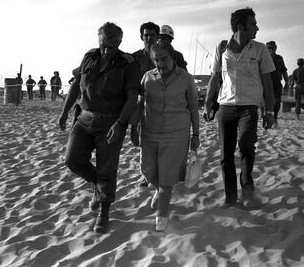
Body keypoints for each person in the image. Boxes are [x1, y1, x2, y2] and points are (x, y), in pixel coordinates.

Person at [58, 22, 141, 234]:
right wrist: (65, 112)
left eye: (111, 46)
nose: (106, 50)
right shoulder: (90, 56)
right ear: (99, 40)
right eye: (103, 45)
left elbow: (133, 97)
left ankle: (104, 211)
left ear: (120, 43)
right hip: (84, 119)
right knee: (72, 159)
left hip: (111, 122)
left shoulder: (128, 63)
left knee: (107, 168)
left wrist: (121, 124)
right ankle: (100, 186)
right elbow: (76, 85)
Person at [203, 7, 275, 208]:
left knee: (245, 145)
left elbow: (267, 82)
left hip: (249, 107)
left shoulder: (260, 49)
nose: (257, 28)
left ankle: (247, 183)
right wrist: (208, 103)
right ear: (240, 26)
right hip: (225, 107)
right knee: (226, 155)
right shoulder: (221, 48)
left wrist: (269, 111)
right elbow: (215, 76)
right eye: (253, 24)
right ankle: (231, 196)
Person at [130, 40, 200, 231]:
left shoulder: (186, 79)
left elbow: (193, 108)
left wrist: (196, 134)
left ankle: (162, 215)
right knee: (148, 170)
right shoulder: (147, 78)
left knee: (168, 174)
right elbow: (139, 105)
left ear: (173, 57)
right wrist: (133, 127)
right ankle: (160, 191)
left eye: (164, 59)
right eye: (157, 60)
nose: (161, 64)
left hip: (177, 133)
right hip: (149, 132)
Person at [130, 22, 160, 187]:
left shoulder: (165, 55)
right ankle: (146, 175)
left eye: (152, 35)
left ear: (157, 36)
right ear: (142, 37)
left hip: (163, 105)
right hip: (142, 104)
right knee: (143, 141)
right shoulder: (134, 58)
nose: (149, 38)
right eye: (146, 35)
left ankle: (160, 174)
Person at [266, 41, 289, 126]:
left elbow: (284, 70)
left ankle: (275, 118)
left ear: (276, 48)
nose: (271, 50)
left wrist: (287, 82)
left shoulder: (279, 58)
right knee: (266, 103)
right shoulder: (263, 57)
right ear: (266, 48)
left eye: (273, 48)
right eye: (269, 48)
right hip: (266, 83)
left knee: (277, 102)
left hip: (277, 83)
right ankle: (267, 118)